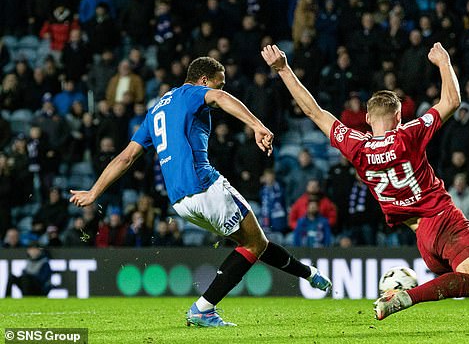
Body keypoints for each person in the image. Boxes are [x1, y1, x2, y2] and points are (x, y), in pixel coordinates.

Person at [261, 42, 469, 321]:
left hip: (421, 239)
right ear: (399, 115)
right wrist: (444, 63)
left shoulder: (355, 144)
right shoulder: (408, 134)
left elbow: (314, 111)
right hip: (443, 220)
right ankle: (405, 298)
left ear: (367, 118)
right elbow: (452, 102)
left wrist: (283, 69)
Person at [69, 57, 331, 327]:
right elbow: (218, 97)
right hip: (203, 184)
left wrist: (93, 192)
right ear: (204, 79)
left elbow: (125, 157)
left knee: (252, 243)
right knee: (254, 243)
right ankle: (203, 308)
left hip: (180, 201)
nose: (223, 87)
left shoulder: (156, 109)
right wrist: (257, 125)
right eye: (221, 81)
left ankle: (309, 274)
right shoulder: (192, 93)